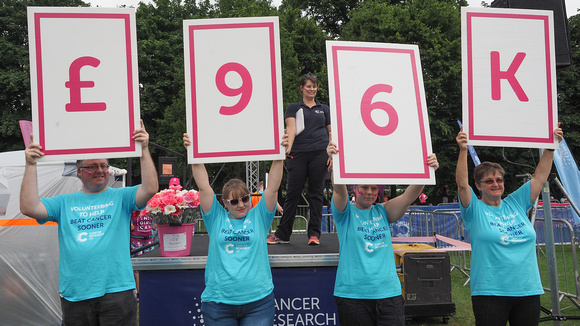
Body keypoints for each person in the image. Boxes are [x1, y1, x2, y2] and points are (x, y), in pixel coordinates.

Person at [19, 120, 158, 325]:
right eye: (92, 166)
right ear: (79, 172)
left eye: (103, 165)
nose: (100, 170)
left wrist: (144, 149)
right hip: (76, 293)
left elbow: (150, 188)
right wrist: (30, 164)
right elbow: (29, 207)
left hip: (117, 291)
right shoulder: (63, 202)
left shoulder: (121, 197)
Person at [455, 125, 563, 326]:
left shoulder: (516, 202)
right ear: (478, 186)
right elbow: (462, 184)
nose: (495, 184)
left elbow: (539, 178)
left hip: (528, 290)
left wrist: (550, 148)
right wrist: (463, 150)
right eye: (489, 181)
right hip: (490, 293)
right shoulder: (474, 209)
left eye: (499, 179)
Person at [327, 139, 439, 326]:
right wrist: (335, 163)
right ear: (355, 188)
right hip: (353, 295)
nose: (369, 192)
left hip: (389, 294)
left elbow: (408, 197)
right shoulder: (345, 213)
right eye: (364, 187)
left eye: (373, 188)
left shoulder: (383, 211)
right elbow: (339, 191)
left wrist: (428, 171)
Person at [183, 133, 284, 326]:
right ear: (224, 203)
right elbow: (204, 187)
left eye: (245, 199)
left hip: (258, 303)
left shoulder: (259, 216)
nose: (241, 205)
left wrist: (279, 154)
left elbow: (272, 188)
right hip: (218, 304)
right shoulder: (215, 217)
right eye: (234, 201)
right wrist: (192, 152)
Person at [268, 74, 332, 245]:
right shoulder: (293, 108)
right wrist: (288, 148)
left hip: (320, 153)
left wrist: (332, 154)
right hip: (298, 153)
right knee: (292, 194)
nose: (312, 89)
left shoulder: (324, 109)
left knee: (316, 193)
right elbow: (291, 128)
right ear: (302, 88)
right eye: (308, 86)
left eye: (314, 86)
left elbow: (331, 132)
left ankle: (314, 234)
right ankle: (282, 234)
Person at [130, 209, 157, 301]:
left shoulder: (150, 208)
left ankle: (150, 289)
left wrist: (156, 225)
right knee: (137, 266)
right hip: (137, 240)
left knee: (150, 264)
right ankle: (139, 292)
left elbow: (157, 220)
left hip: (149, 240)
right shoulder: (133, 210)